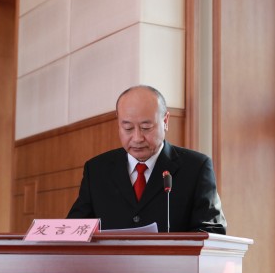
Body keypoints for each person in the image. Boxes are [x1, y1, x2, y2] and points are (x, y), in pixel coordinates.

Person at [67, 85, 226, 234]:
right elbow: (74, 230)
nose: (137, 138)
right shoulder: (96, 170)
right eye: (128, 128)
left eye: (146, 128)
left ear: (165, 121)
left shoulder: (196, 167)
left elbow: (211, 232)